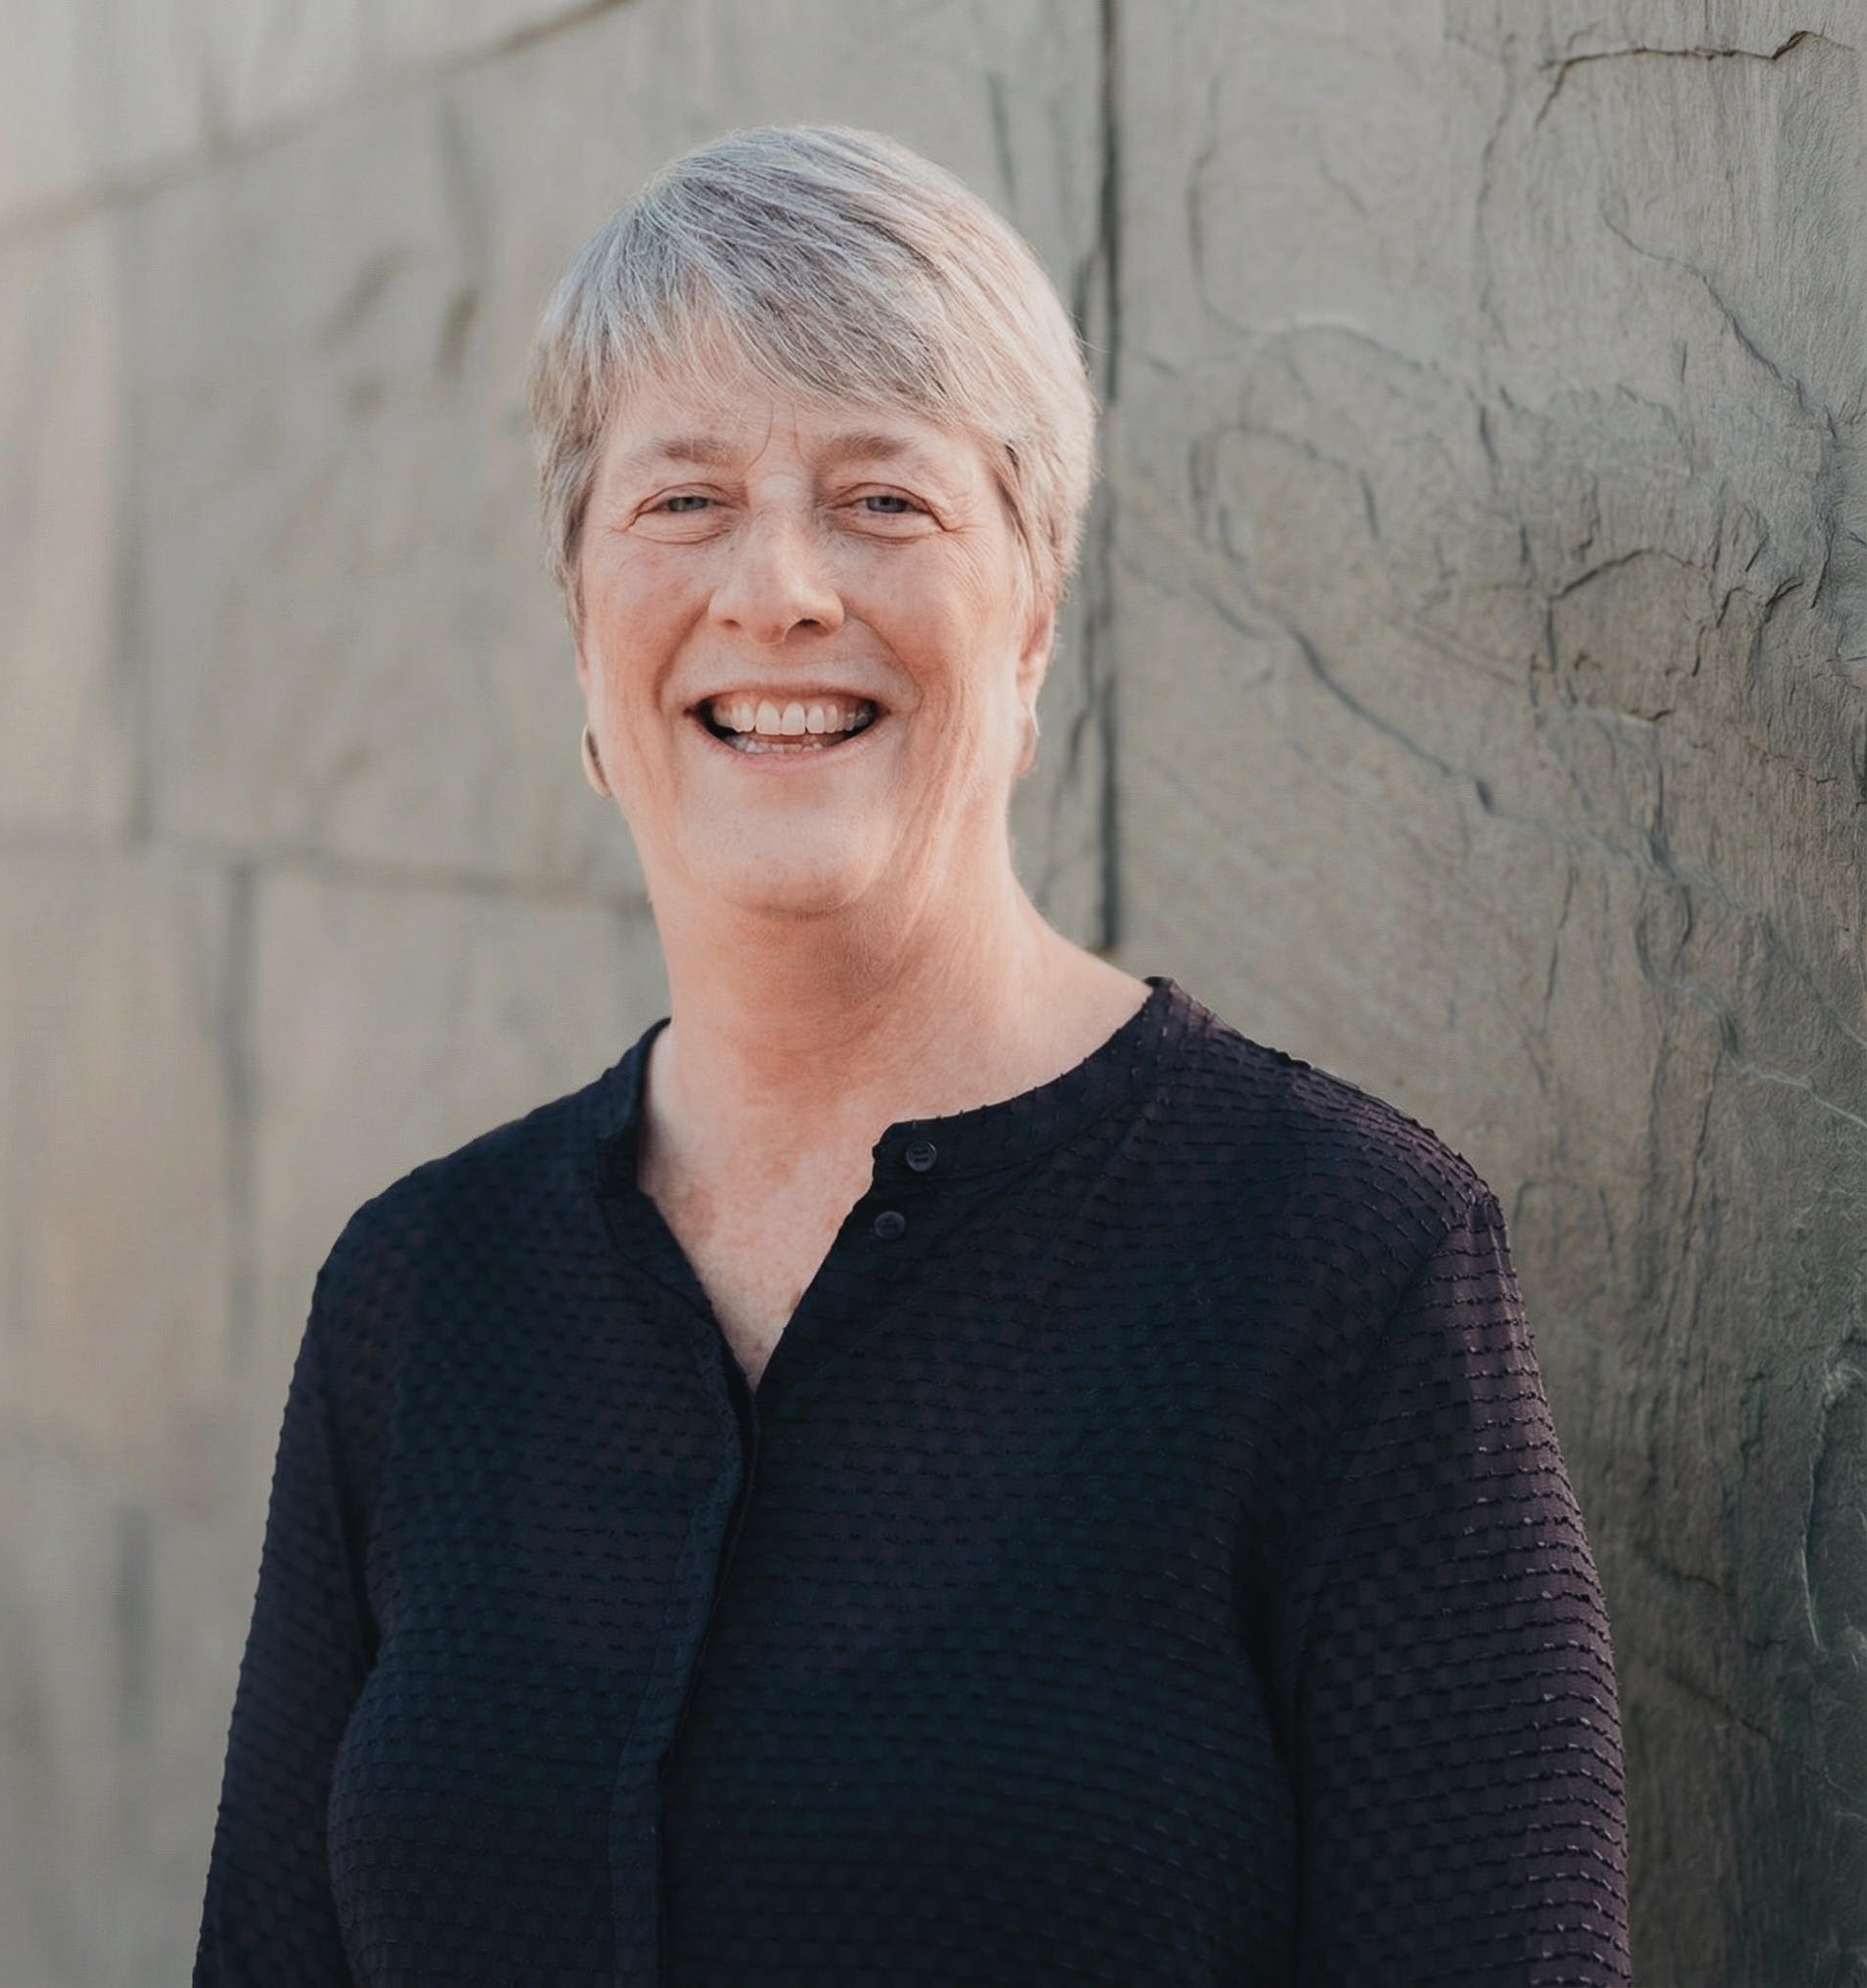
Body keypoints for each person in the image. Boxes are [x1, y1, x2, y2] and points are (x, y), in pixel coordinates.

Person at [193, 125, 1630, 1985]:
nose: (779, 588)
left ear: (1032, 628)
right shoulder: (421, 1295)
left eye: (884, 500)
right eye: (681, 499)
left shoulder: (1341, 1272)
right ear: (580, 633)